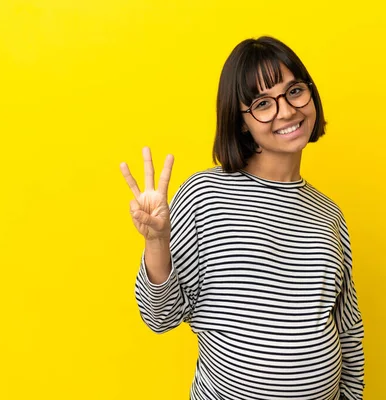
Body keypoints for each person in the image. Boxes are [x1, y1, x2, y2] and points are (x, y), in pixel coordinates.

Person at [120, 36, 365, 400]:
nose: (286, 111)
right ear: (241, 122)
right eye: (263, 103)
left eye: (294, 91)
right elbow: (160, 317)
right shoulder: (206, 195)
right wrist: (156, 242)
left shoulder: (328, 213)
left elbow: (347, 327)